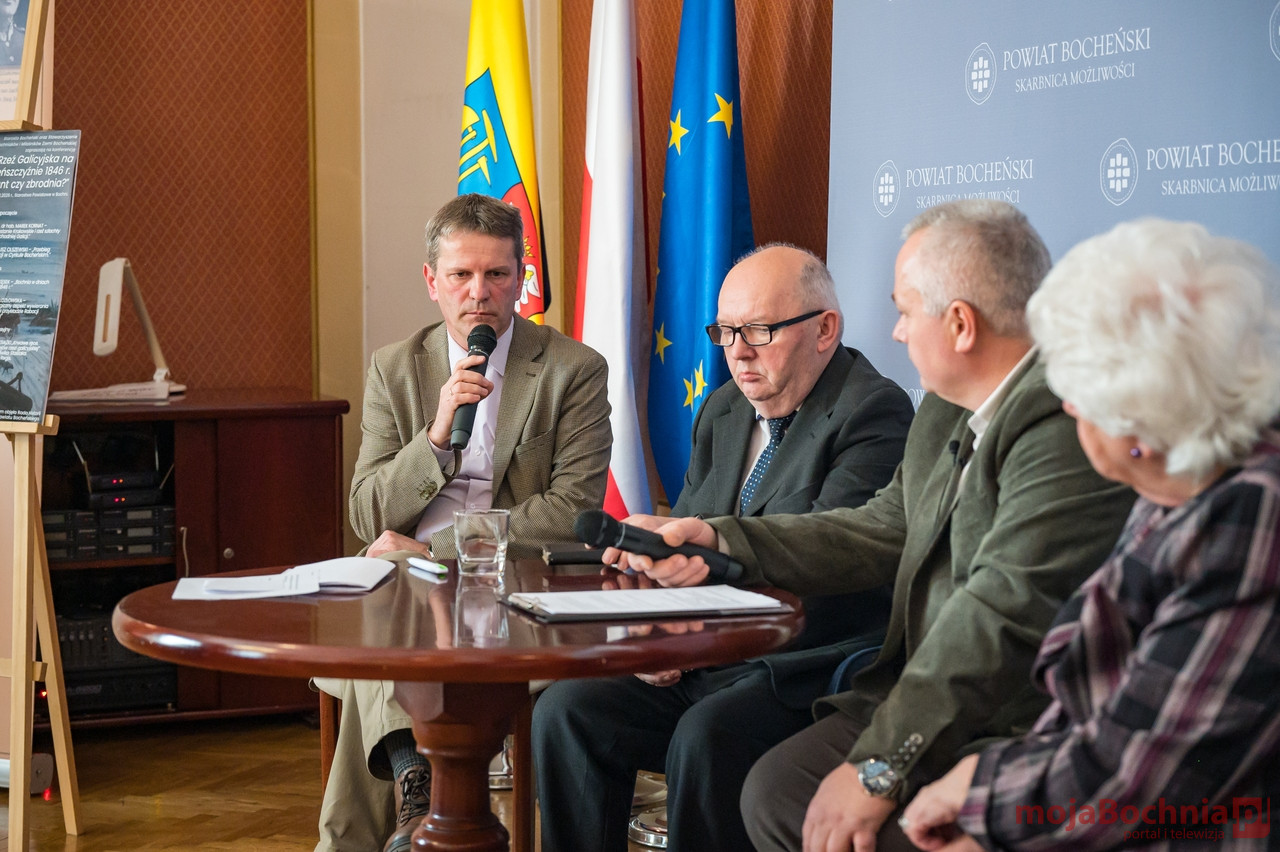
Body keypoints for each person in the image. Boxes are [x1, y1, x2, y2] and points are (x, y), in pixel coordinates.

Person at [610, 199, 1137, 852]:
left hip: (1012, 719)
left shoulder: (1063, 425)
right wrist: (720, 538)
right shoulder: (945, 409)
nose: (896, 332)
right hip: (915, 692)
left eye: (906, 311)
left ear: (960, 324)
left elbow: (1001, 614)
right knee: (773, 790)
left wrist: (880, 767)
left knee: (782, 794)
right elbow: (879, 527)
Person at [901, 219, 1280, 852]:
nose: (1064, 406)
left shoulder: (1249, 518)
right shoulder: (1180, 478)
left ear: (1135, 421)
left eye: (1071, 392)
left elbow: (1133, 780)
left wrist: (979, 794)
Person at [532, 243, 915, 852]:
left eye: (759, 330)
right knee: (566, 711)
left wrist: (692, 637)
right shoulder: (723, 408)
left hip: (801, 657)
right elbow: (682, 549)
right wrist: (656, 636)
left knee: (707, 734)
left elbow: (829, 557)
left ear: (824, 329)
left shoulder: (872, 411)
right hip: (706, 651)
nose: (737, 351)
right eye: (726, 331)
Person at [314, 193, 612, 852]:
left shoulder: (573, 370)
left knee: (384, 601)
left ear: (520, 278)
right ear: (432, 281)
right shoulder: (396, 368)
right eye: (461, 275)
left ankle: (399, 809)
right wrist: (436, 437)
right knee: (389, 583)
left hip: (514, 585)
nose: (480, 293)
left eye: (497, 274)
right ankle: (419, 793)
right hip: (402, 581)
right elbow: (366, 511)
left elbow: (573, 512)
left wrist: (435, 549)